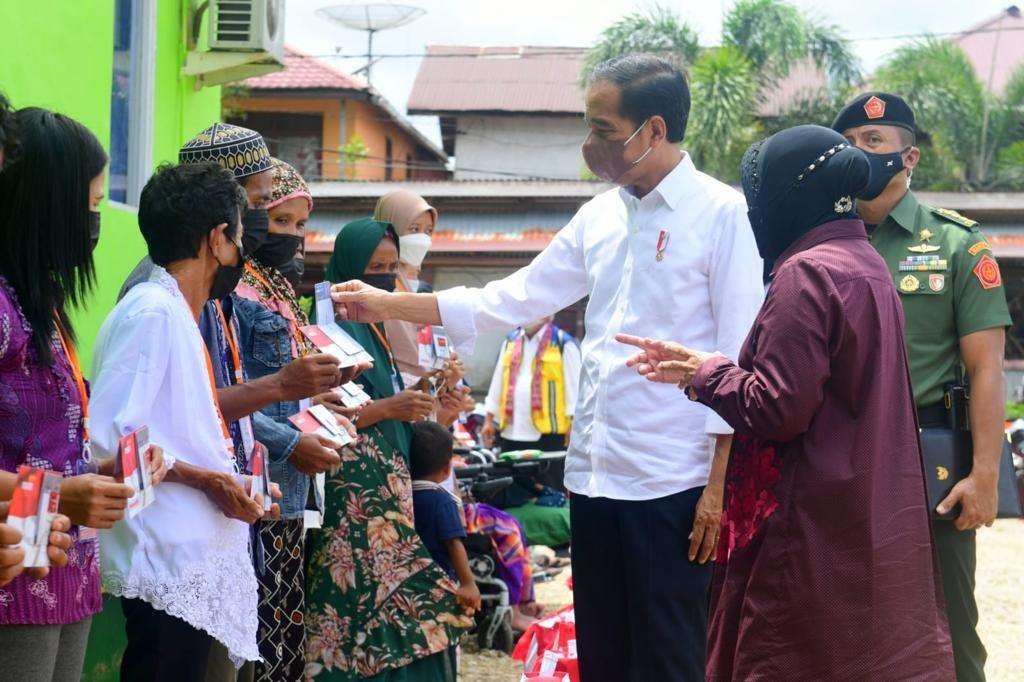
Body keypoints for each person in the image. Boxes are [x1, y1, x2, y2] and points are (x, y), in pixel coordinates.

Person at [331, 54, 765, 680]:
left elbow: (734, 357)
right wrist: (387, 299)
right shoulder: (601, 216)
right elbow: (511, 298)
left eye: (605, 131)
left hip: (674, 483)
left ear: (656, 131)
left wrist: (718, 489)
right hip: (592, 478)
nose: (591, 147)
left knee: (672, 658)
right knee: (607, 655)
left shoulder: (723, 215)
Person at [618, 124, 955, 680]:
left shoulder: (807, 274)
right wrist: (704, 368)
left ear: (787, 194)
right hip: (858, 513)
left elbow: (777, 408)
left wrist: (707, 372)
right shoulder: (866, 263)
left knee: (786, 655)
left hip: (805, 524)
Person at [833, 92, 1011, 682]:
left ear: (909, 158)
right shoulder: (820, 244)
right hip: (839, 458)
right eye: (851, 141)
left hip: (929, 458)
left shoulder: (958, 244)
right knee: (843, 620)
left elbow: (987, 368)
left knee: (951, 625)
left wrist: (984, 476)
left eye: (875, 141)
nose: (860, 151)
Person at [91, 162, 267, 679]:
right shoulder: (152, 310)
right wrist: (208, 480)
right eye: (237, 236)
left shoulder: (178, 311)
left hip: (190, 563)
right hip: (164, 563)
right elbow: (115, 442)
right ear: (217, 239)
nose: (240, 252)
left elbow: (177, 434)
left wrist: (231, 482)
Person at [0, 107, 146, 681]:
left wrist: (103, 471)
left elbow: (44, 439)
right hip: (18, 570)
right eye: (88, 207)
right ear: (43, 204)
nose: (95, 223)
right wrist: (63, 492)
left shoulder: (42, 307)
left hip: (66, 562)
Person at [305, 219, 472, 681]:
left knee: (390, 602)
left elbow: (386, 402)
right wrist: (391, 406)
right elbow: (326, 413)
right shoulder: (325, 324)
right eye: (372, 267)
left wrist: (427, 394)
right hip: (352, 492)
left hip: (388, 485)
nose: (382, 276)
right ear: (348, 267)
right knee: (357, 602)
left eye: (390, 266)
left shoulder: (375, 327)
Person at [233, 158, 353, 682]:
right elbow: (224, 398)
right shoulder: (234, 293)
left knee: (283, 638)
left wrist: (323, 410)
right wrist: (289, 442)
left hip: (290, 488)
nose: (292, 236)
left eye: (301, 225)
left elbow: (288, 388)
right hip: (253, 482)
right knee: (257, 640)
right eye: (278, 220)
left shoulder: (279, 289)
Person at [409, 420, 481, 678]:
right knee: (446, 652)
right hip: (443, 587)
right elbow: (454, 542)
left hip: (411, 589)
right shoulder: (442, 500)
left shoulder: (399, 496)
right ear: (447, 467)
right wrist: (468, 583)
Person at [482, 316, 581, 453]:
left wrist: (574, 425)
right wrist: (489, 419)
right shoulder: (510, 341)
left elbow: (575, 390)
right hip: (511, 432)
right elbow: (497, 382)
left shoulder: (562, 343)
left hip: (549, 435)